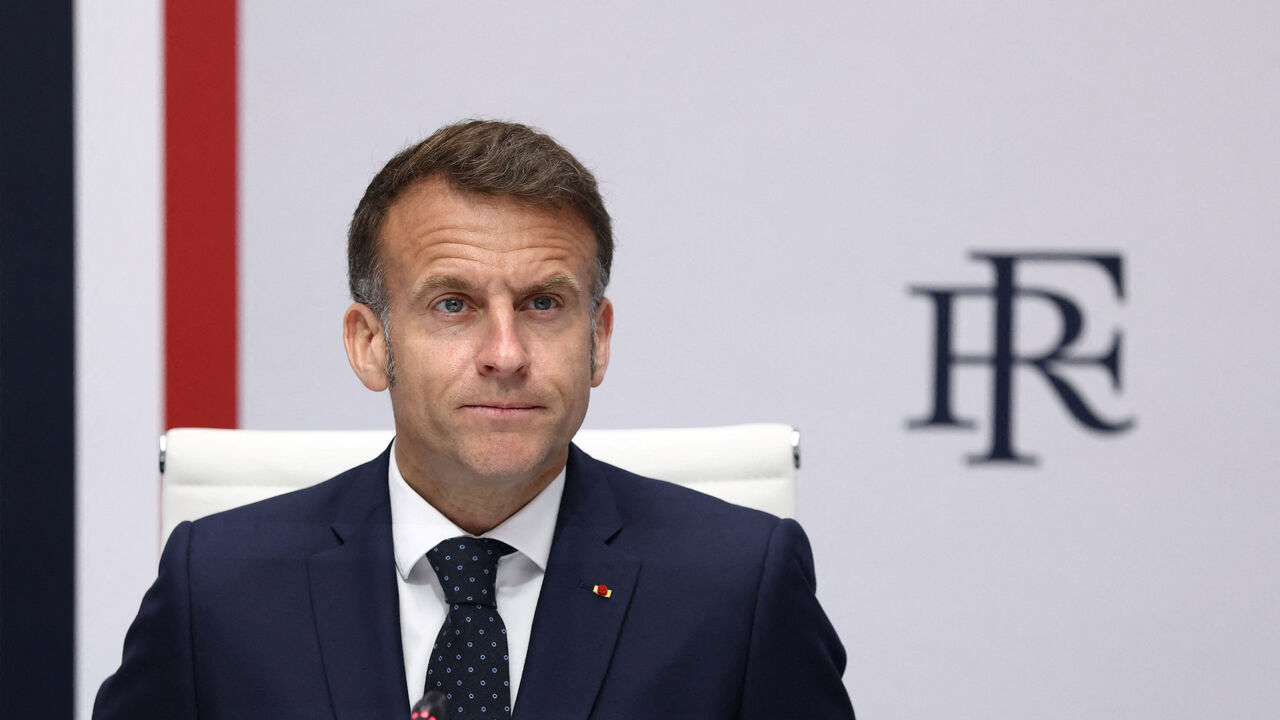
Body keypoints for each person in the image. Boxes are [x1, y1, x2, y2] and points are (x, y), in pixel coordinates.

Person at [94, 120, 855, 719]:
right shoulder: (218, 586)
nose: (505, 352)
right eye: (452, 305)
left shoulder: (739, 585)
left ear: (597, 341)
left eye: (544, 304)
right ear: (370, 344)